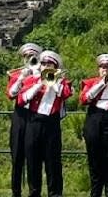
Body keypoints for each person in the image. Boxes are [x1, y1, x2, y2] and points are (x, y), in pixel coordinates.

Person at [19, 50, 72, 197]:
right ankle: (34, 192)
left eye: (49, 64)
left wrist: (52, 81)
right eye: (43, 64)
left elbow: (65, 94)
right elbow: (22, 99)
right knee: (32, 159)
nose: (45, 66)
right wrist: (39, 84)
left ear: (55, 67)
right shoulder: (31, 80)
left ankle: (55, 193)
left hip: (51, 124)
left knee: (53, 161)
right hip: (34, 122)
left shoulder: (61, 82)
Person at [80, 53, 108, 197]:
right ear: (99, 69)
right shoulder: (91, 82)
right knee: (94, 157)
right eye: (102, 67)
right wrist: (102, 82)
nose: (105, 70)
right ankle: (95, 192)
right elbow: (85, 99)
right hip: (94, 118)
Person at [7, 43, 43, 197]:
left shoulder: (43, 74)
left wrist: (36, 74)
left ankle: (34, 191)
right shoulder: (17, 75)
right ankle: (16, 191)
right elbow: (11, 94)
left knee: (33, 155)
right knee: (16, 155)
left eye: (33, 57)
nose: (30, 59)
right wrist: (22, 77)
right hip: (20, 116)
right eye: (27, 57)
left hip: (35, 117)